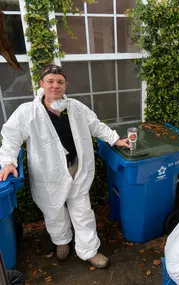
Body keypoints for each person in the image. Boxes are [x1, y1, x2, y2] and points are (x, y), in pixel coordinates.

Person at [0, 64, 130, 268]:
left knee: (82, 211)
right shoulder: (28, 112)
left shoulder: (76, 108)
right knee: (54, 211)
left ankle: (89, 251)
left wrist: (115, 139)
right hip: (48, 175)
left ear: (65, 85)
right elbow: (10, 136)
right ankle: (62, 242)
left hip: (76, 169)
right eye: (50, 81)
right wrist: (7, 161)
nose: (55, 86)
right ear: (41, 84)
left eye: (59, 82)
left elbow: (95, 125)